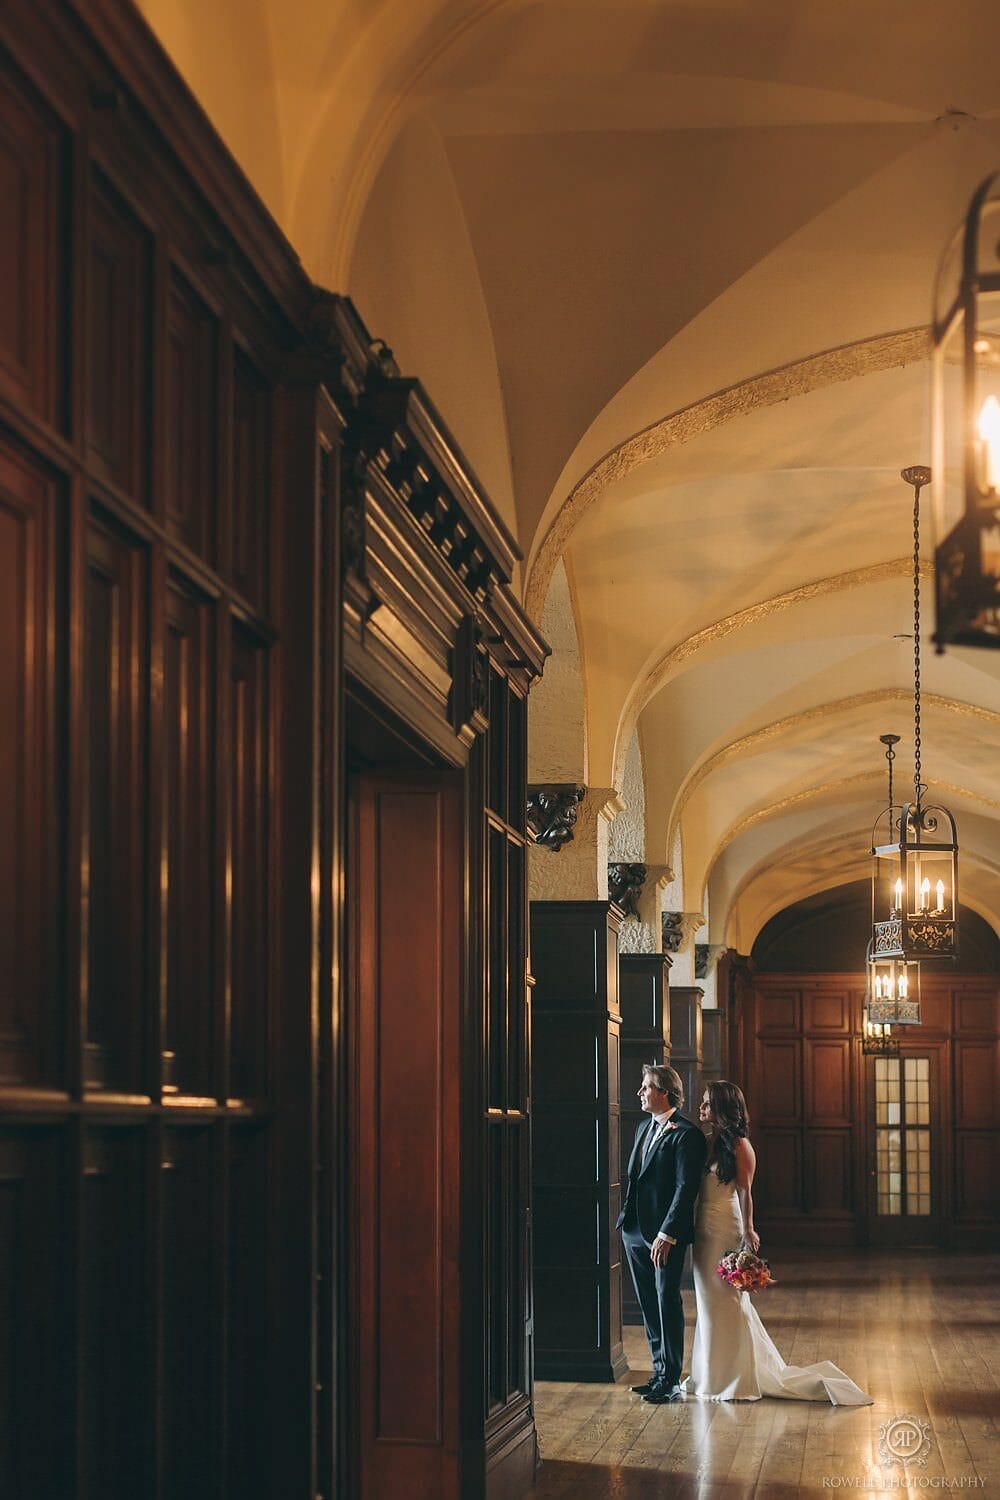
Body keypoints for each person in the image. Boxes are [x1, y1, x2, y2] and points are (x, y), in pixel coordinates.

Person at [683, 1080, 872, 1405]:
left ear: (722, 1108)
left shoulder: (740, 1145)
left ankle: (735, 1378)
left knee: (727, 1301)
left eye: (706, 1103)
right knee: (707, 1303)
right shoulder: (711, 1142)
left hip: (726, 1226)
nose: (700, 1108)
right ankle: (710, 1374)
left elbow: (745, 1191)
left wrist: (748, 1231)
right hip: (703, 1228)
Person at [617, 1063, 707, 1404]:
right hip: (634, 1231)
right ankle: (657, 1374)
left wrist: (668, 1233)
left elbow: (686, 1189)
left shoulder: (687, 1134)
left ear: (664, 1092)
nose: (640, 1092)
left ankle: (670, 1380)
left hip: (664, 1237)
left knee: (666, 1300)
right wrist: (627, 1223)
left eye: (646, 1087)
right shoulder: (643, 1127)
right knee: (646, 1304)